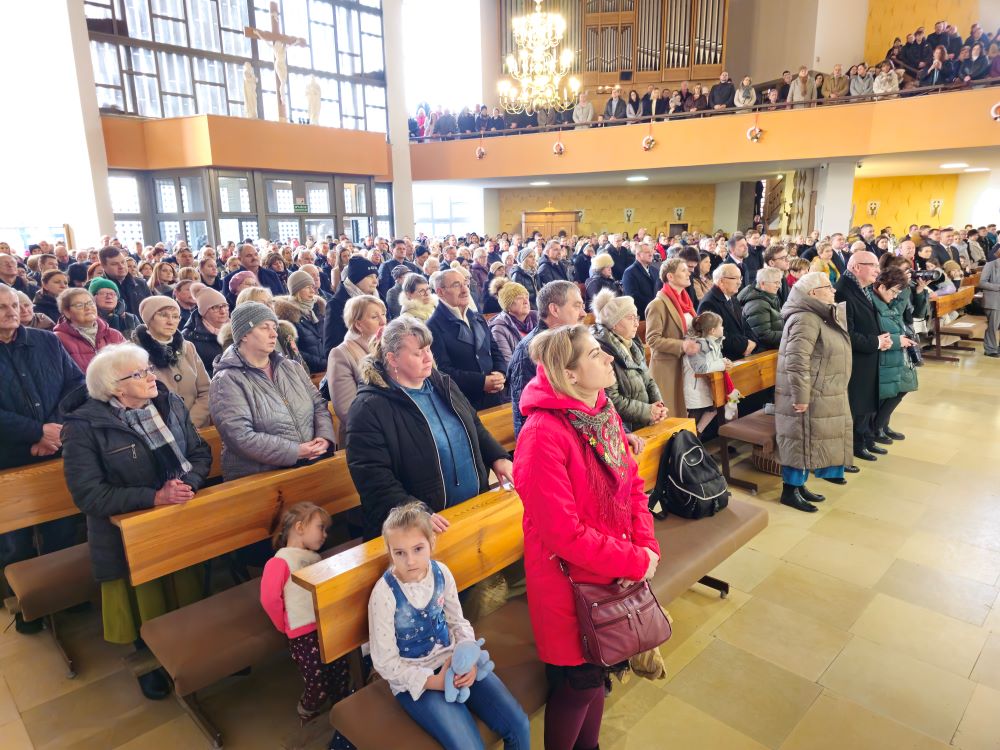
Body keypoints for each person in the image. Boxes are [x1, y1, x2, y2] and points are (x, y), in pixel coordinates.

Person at [513, 324, 660, 750]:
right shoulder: (542, 434)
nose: (609, 357)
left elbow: (631, 485)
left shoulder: (601, 412)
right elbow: (564, 534)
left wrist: (646, 545)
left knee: (597, 676)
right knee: (579, 685)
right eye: (596, 354)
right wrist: (633, 561)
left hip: (609, 570)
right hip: (569, 585)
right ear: (570, 373)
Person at [61, 342, 211, 698]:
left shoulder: (168, 401)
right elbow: (89, 494)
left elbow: (199, 451)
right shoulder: (85, 427)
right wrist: (154, 497)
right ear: (116, 387)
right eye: (139, 373)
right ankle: (152, 659)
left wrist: (185, 485)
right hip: (127, 534)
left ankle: (196, 652)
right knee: (148, 600)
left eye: (148, 369)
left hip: (180, 514)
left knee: (186, 588)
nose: (150, 377)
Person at [368, 503, 530, 749]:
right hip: (416, 679)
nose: (410, 561)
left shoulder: (441, 572)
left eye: (418, 549)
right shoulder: (384, 594)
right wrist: (435, 682)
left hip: (454, 662)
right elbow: (385, 662)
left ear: (431, 543)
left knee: (519, 725)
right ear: (389, 551)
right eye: (399, 552)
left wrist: (468, 659)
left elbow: (457, 621)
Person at [345, 316, 512, 540]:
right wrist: (414, 511)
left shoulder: (443, 383)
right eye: (417, 353)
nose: (428, 358)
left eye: (428, 349)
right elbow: (372, 476)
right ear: (392, 359)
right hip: (421, 527)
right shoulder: (369, 407)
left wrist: (498, 457)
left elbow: (473, 425)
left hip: (472, 507)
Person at [210, 302, 335, 481]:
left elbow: (318, 405)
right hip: (260, 478)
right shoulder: (227, 380)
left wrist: (324, 438)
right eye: (264, 327)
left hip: (309, 465)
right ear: (244, 334)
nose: (274, 333)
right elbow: (240, 436)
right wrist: (295, 451)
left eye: (275, 327)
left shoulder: (291, 367)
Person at [261, 503, 353, 722]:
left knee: (339, 673)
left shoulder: (316, 559)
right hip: (303, 634)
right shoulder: (280, 561)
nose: (325, 535)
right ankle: (307, 708)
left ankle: (343, 716)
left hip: (326, 628)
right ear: (300, 527)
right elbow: (269, 598)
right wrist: (283, 625)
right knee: (317, 683)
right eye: (321, 528)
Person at [775, 272, 853, 512]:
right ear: (812, 294)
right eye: (827, 287)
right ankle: (789, 491)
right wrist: (801, 396)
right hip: (807, 393)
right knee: (800, 441)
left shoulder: (819, 315)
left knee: (809, 440)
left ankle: (800, 486)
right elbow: (796, 360)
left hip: (820, 390)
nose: (833, 291)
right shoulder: (805, 319)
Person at [508, 281, 585, 437]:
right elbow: (527, 415)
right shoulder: (530, 351)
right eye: (577, 306)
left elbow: (594, 393)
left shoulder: (575, 340)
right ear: (554, 309)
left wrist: (620, 431)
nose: (583, 313)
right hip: (553, 442)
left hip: (579, 434)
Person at [835, 252, 892, 462]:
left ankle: (865, 439)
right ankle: (854, 446)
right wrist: (876, 342)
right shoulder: (843, 291)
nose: (878, 270)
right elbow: (846, 333)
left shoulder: (861, 287)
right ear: (856, 267)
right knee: (856, 405)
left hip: (868, 355)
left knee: (866, 402)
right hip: (856, 358)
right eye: (873, 265)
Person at [427, 269, 508, 410]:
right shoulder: (433, 326)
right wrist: (482, 382)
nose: (465, 290)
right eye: (457, 285)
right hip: (466, 403)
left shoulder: (476, 316)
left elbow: (494, 350)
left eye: (465, 283)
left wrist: (500, 373)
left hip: (495, 396)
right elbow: (443, 371)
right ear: (440, 292)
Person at [591, 289, 666, 432]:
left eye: (636, 317)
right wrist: (647, 411)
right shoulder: (604, 351)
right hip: (625, 429)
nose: (637, 324)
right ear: (614, 323)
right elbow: (611, 399)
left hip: (646, 420)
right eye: (630, 318)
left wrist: (657, 404)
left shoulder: (633, 344)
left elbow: (648, 379)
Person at [132, 296, 211, 428]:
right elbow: (136, 399)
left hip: (197, 428)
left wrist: (191, 423)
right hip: (160, 430)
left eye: (175, 316)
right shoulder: (133, 352)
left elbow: (206, 390)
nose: (171, 321)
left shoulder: (189, 347)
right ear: (149, 319)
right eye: (163, 315)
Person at [327, 294, 386, 446]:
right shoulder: (341, 353)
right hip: (366, 438)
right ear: (358, 325)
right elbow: (347, 409)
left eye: (384, 314)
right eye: (374, 317)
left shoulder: (388, 346)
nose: (383, 321)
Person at [645, 258, 701, 419]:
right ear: (670, 276)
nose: (688, 273)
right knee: (673, 417)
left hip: (687, 366)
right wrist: (682, 345)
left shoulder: (685, 301)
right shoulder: (658, 305)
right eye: (683, 270)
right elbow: (653, 340)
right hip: (668, 368)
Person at [870, 266, 918, 443]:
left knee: (898, 389)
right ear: (882, 286)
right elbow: (877, 332)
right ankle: (876, 428)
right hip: (884, 354)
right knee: (890, 392)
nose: (895, 295)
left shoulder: (887, 300)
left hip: (894, 353)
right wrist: (899, 341)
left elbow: (900, 308)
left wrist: (913, 287)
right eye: (894, 291)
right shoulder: (873, 302)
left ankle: (882, 426)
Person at [53, 287, 126, 372]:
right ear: (67, 313)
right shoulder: (58, 340)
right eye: (79, 305)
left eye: (90, 303)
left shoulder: (114, 335)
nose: (88, 308)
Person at [682, 311, 731, 433]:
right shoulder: (698, 344)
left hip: (706, 388)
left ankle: (697, 439)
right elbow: (701, 368)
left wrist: (724, 362)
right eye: (721, 325)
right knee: (691, 424)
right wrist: (722, 364)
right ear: (712, 331)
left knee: (712, 411)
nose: (723, 328)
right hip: (695, 390)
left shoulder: (714, 342)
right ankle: (690, 445)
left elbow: (714, 361)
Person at [697, 264, 756, 361]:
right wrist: (745, 345)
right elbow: (716, 335)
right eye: (735, 278)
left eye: (740, 278)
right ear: (721, 281)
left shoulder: (732, 298)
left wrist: (753, 342)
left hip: (739, 356)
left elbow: (744, 325)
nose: (739, 282)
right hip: (724, 359)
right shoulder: (709, 303)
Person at [324, 255, 379, 354]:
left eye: (376, 276)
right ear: (355, 279)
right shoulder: (336, 305)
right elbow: (332, 348)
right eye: (369, 276)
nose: (375, 281)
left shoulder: (378, 299)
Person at [274, 270, 326, 374]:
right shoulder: (287, 316)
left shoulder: (318, 309)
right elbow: (295, 351)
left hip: (326, 368)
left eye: (312, 286)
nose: (313, 291)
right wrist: (323, 363)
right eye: (307, 287)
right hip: (308, 373)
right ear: (296, 290)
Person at [182, 283, 228, 375]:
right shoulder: (188, 336)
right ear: (203, 312)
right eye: (215, 307)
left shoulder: (237, 328)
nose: (223, 311)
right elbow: (193, 372)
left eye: (224, 305)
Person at [488, 279, 537, 365]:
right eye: (519, 298)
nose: (526, 302)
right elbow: (510, 364)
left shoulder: (537, 318)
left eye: (526, 297)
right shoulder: (498, 329)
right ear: (508, 305)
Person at [737, 267, 784, 351]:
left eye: (780, 282)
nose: (779, 286)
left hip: (772, 349)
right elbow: (765, 336)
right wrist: (790, 334)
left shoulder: (770, 298)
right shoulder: (758, 304)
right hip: (762, 352)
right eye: (776, 282)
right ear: (762, 283)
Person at [99, 245, 150, 316]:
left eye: (123, 262)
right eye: (114, 264)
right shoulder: (98, 287)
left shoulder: (141, 283)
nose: (121, 267)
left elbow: (151, 309)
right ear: (103, 266)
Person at [621, 242, 658, 320]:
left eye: (651, 252)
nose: (651, 254)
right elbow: (632, 296)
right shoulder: (629, 272)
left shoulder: (654, 270)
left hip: (655, 311)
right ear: (638, 255)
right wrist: (653, 304)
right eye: (647, 252)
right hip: (640, 314)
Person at [980, 248, 1000, 358]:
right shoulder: (991, 264)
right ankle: (990, 349)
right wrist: (998, 287)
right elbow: (982, 283)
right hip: (994, 300)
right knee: (993, 326)